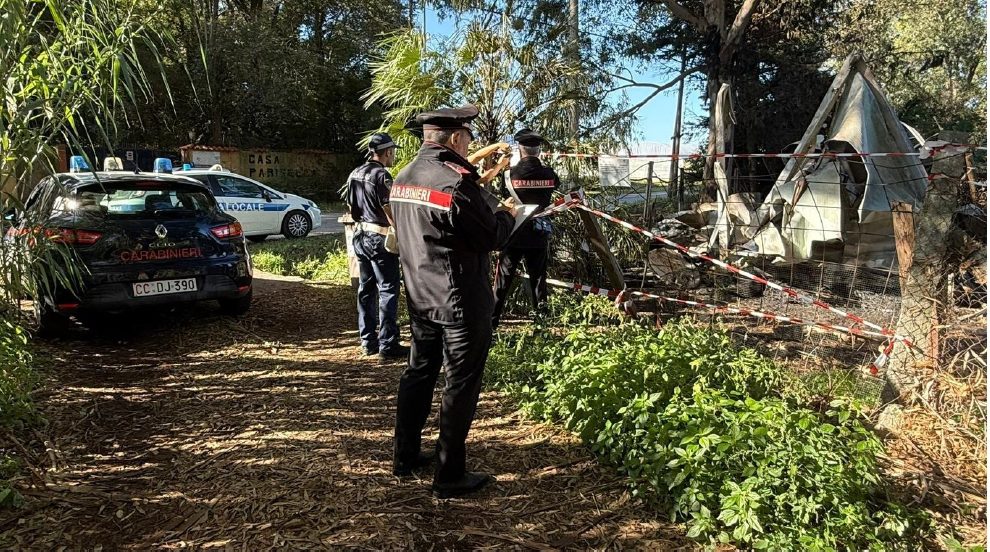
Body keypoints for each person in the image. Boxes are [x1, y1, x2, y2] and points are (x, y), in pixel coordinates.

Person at [389, 104, 518, 498]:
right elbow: (491, 237)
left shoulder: (403, 177)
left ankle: (405, 456)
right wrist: (508, 213)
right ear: (458, 139)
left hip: (420, 296)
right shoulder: (455, 184)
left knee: (419, 373)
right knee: (460, 383)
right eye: (469, 139)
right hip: (460, 300)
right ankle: (449, 475)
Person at [345, 133, 408, 359]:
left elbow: (352, 208)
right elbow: (389, 208)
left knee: (366, 289)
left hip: (360, 236)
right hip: (379, 238)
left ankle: (367, 342)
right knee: (388, 289)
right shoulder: (382, 176)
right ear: (388, 152)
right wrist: (400, 230)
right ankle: (388, 345)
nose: (394, 156)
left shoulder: (355, 174)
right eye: (393, 152)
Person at [491, 128, 561, 329]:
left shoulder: (509, 175)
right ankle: (541, 325)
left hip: (513, 233)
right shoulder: (549, 174)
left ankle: (491, 323)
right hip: (539, 234)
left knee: (502, 281)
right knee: (539, 280)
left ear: (520, 150)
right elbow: (554, 186)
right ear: (538, 151)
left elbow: (504, 197)